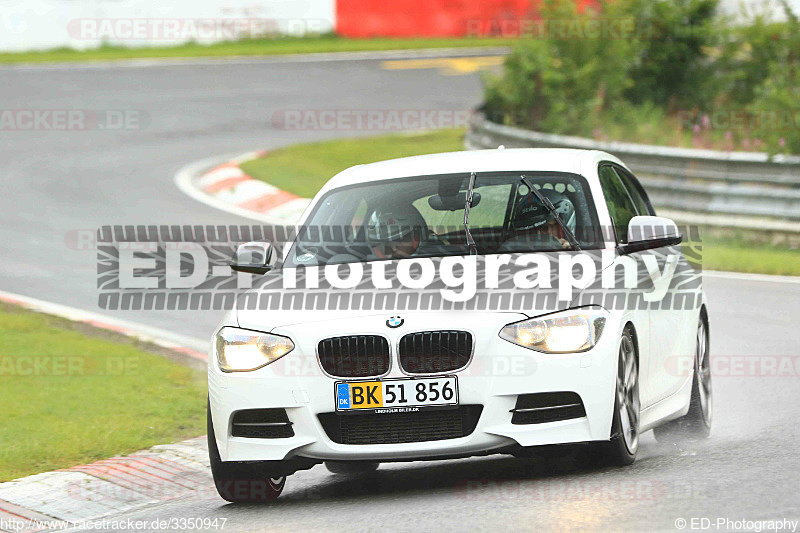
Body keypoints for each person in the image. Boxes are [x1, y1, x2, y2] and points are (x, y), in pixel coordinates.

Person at [507, 188, 577, 250]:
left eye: (545, 228)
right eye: (532, 231)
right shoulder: (511, 254)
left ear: (562, 228)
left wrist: (569, 251)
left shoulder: (578, 257)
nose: (538, 235)